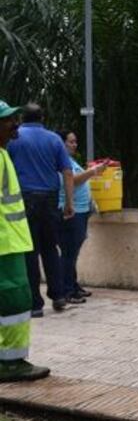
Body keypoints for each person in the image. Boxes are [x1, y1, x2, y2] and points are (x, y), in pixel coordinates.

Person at [0, 99, 51, 383]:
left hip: (10, 241)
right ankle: (11, 363)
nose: (14, 124)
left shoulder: (3, 153)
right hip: (4, 244)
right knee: (16, 301)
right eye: (7, 119)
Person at [7, 103, 74, 316]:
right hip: (50, 200)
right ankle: (59, 295)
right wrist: (69, 203)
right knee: (50, 249)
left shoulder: (14, 139)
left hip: (24, 200)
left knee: (30, 251)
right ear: (42, 117)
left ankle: (35, 304)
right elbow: (67, 171)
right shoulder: (54, 139)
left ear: (23, 118)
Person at [56, 131, 107, 303]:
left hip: (82, 210)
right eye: (70, 142)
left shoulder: (70, 161)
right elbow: (71, 181)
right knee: (69, 252)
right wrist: (92, 171)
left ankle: (73, 285)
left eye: (75, 141)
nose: (74, 144)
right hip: (72, 211)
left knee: (73, 252)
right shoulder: (58, 161)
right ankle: (66, 291)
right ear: (61, 143)